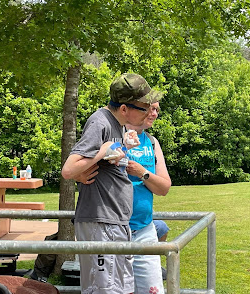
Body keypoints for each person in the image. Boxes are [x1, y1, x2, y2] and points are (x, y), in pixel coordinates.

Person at [62, 73, 162, 294]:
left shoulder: (117, 125)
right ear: (124, 109)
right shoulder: (100, 122)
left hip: (116, 222)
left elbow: (107, 159)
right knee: (103, 290)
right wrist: (102, 152)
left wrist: (124, 148)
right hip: (101, 222)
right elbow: (69, 169)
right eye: (143, 108)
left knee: (121, 290)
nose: (149, 113)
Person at [125, 101, 171, 294]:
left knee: (154, 290)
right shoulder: (112, 136)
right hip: (115, 230)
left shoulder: (151, 142)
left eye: (157, 110)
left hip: (145, 229)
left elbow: (164, 187)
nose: (154, 114)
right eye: (150, 108)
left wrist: (142, 172)